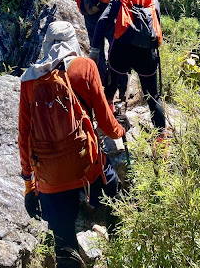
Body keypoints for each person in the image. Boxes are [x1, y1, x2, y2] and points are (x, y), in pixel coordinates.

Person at [18, 21, 127, 268]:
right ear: (72, 43)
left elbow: (24, 136)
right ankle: (119, 250)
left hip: (49, 177)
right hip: (85, 166)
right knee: (115, 195)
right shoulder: (85, 67)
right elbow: (106, 122)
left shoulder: (29, 80)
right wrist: (121, 130)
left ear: (46, 44)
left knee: (63, 244)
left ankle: (69, 257)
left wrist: (28, 185)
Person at [91, 0, 166, 132]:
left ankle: (108, 120)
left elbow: (102, 21)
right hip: (146, 54)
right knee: (152, 96)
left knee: (110, 86)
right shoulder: (153, 1)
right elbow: (157, 25)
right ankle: (161, 138)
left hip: (121, 51)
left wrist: (95, 49)